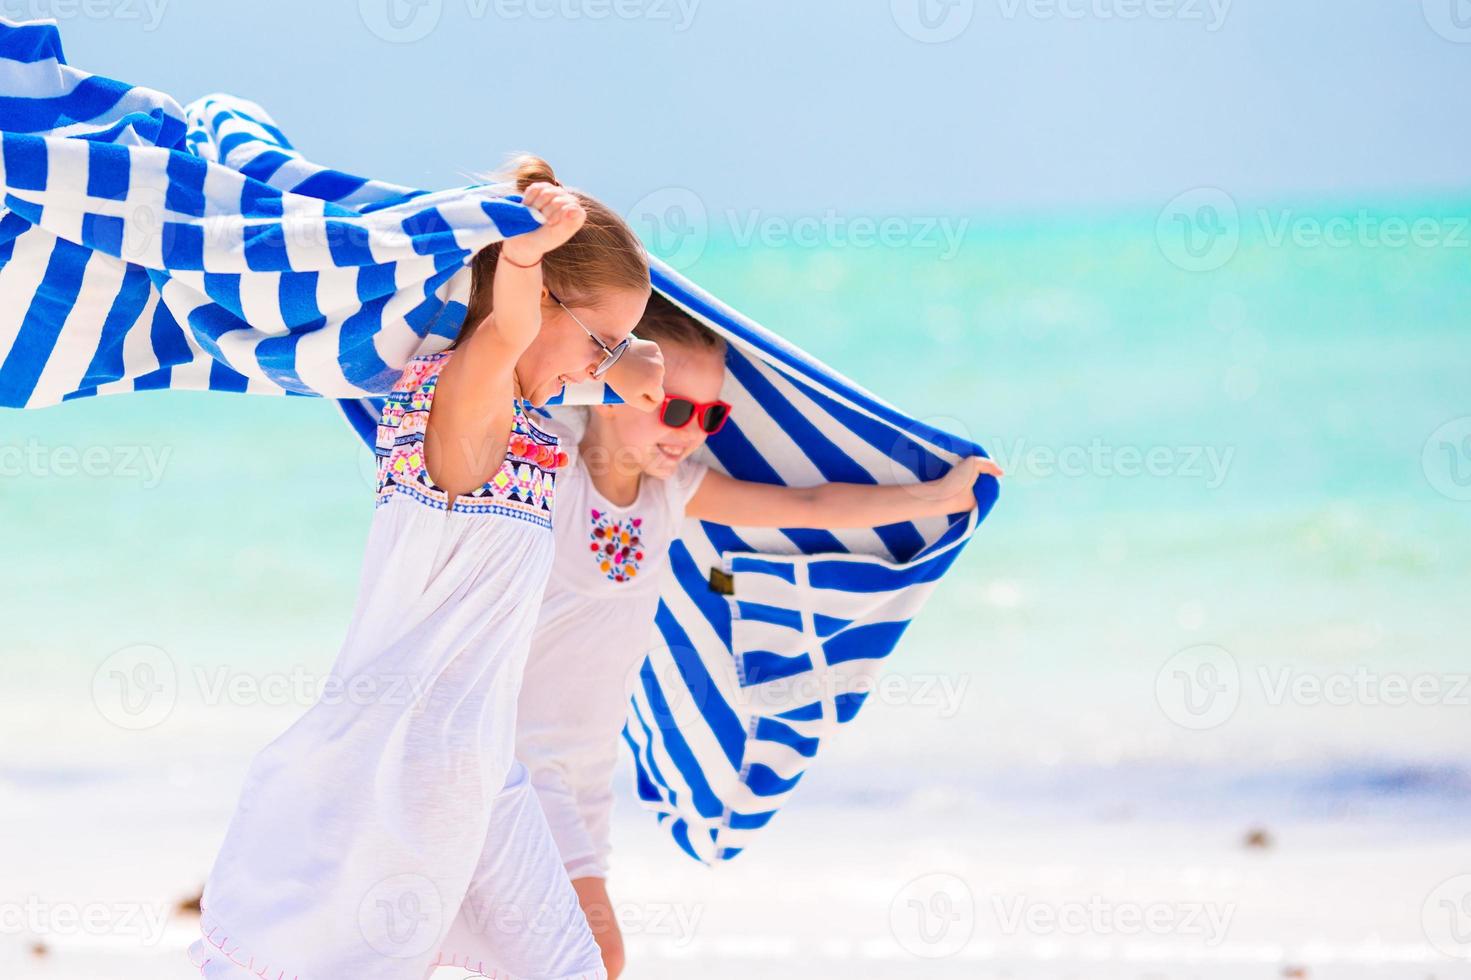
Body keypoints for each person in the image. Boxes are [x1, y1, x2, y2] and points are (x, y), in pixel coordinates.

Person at [190, 159, 661, 980]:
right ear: (538, 295)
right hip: (419, 772)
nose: (601, 367)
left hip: (482, 766)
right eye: (599, 344)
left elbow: (604, 361)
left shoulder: (523, 412)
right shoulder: (464, 395)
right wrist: (525, 250)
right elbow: (511, 329)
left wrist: (618, 351)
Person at [502, 293, 1003, 976]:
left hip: (587, 772)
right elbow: (498, 361)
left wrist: (940, 498)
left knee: (527, 953)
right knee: (595, 956)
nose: (689, 431)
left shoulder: (669, 493)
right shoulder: (542, 469)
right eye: (673, 407)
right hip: (514, 762)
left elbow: (809, 507)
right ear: (614, 385)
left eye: (710, 416)